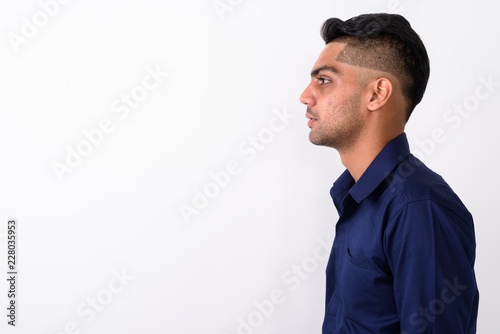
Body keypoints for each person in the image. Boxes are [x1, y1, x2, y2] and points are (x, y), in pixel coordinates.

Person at [299, 13, 479, 333]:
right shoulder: (359, 198)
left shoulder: (418, 207)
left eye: (324, 80)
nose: (306, 96)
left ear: (377, 94)